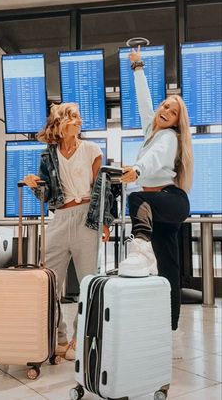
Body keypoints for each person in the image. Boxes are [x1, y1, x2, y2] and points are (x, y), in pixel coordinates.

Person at [24, 102, 110, 360]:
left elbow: (102, 189)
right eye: (74, 117)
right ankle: (57, 336)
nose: (79, 121)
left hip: (87, 218)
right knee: (48, 282)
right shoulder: (48, 155)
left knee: (88, 283)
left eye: (79, 117)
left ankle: (78, 338)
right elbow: (46, 195)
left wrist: (104, 221)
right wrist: (33, 185)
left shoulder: (92, 150)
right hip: (60, 219)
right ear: (60, 123)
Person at [119, 46, 193, 331]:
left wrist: (137, 170)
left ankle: (140, 246)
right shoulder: (153, 131)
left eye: (172, 112)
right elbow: (143, 102)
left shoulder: (170, 139)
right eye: (165, 106)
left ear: (177, 121)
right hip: (163, 205)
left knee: (137, 196)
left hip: (170, 199)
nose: (164, 111)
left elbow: (154, 159)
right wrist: (138, 68)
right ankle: (171, 322)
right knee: (169, 263)